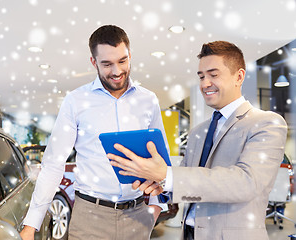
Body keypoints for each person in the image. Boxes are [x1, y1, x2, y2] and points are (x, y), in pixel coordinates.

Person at [108, 41, 288, 240]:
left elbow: (247, 183)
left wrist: (168, 175)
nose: (204, 84)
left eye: (213, 75)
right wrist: (162, 184)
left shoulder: (267, 123)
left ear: (239, 77)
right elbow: (186, 180)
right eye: (201, 76)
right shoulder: (198, 132)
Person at [20, 25, 168, 240]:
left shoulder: (148, 100)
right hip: (90, 218)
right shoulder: (76, 101)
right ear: (93, 62)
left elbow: (159, 158)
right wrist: (31, 225)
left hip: (137, 216)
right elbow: (53, 164)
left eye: (122, 61)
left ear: (129, 55)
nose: (116, 71)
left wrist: (156, 207)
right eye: (107, 64)